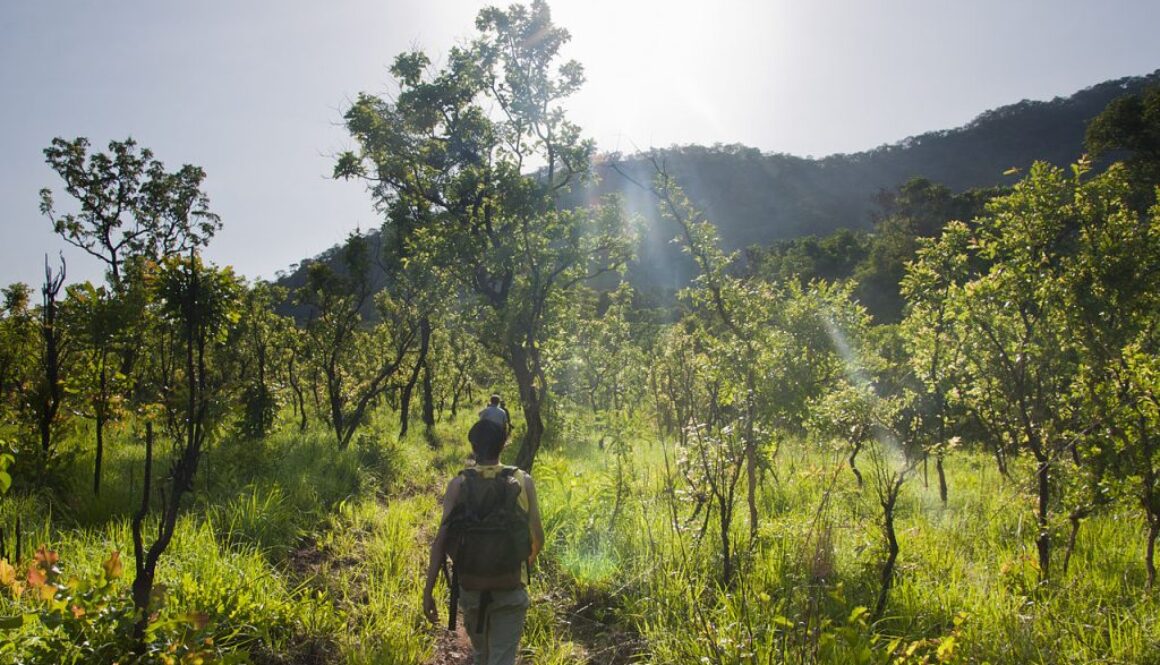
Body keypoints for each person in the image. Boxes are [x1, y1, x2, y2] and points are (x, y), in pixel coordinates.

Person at [423, 419, 544, 665]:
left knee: (481, 655)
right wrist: (521, 564)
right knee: (502, 659)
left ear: (474, 447)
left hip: (471, 589)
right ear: (503, 445)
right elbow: (537, 539)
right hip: (510, 588)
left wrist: (429, 590)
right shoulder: (523, 481)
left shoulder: (459, 484)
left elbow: (441, 540)